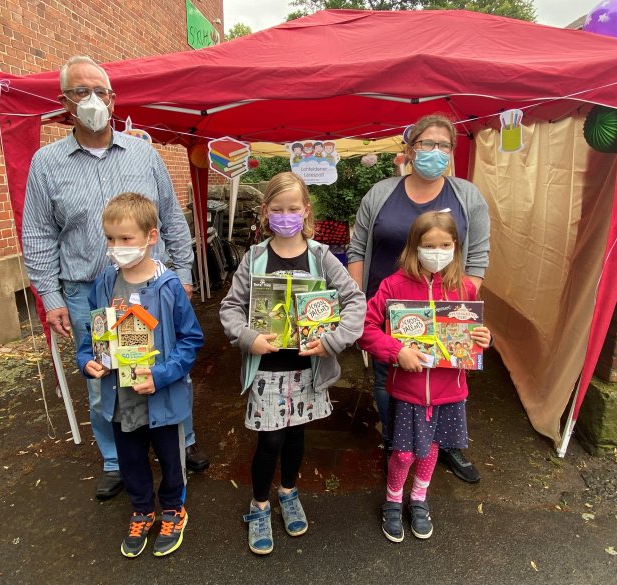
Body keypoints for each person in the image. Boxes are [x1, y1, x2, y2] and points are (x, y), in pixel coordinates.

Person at [22, 56, 208, 500]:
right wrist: (51, 297)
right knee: (105, 376)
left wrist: (182, 272)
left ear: (113, 98)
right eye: (80, 92)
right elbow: (37, 233)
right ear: (65, 102)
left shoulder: (144, 154)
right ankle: (114, 458)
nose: (92, 100)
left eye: (99, 91)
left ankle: (180, 441)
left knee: (164, 368)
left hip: (152, 288)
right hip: (90, 291)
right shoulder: (46, 163)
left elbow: (172, 219)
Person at [219, 172, 365, 555]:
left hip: (307, 370)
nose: (286, 216)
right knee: (270, 440)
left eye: (293, 209)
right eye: (278, 210)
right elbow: (231, 308)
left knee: (297, 437)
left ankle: (288, 492)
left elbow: (355, 302)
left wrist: (332, 341)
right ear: (266, 212)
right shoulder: (254, 258)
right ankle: (259, 506)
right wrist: (250, 338)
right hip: (267, 371)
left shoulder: (320, 256)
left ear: (306, 211)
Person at [347, 113, 490, 483]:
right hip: (390, 305)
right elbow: (358, 249)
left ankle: (445, 446)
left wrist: (465, 307)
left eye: (444, 145)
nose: (435, 151)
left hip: (448, 310)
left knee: (445, 379)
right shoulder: (381, 194)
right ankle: (398, 445)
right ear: (410, 149)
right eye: (427, 143)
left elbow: (477, 256)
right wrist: (358, 303)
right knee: (389, 378)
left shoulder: (466, 195)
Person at [76, 193, 204, 558]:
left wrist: (161, 375)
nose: (117, 247)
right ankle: (142, 510)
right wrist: (87, 361)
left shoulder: (169, 287)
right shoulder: (104, 284)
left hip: (161, 397)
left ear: (151, 236)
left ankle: (173, 510)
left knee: (169, 458)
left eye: (126, 238)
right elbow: (91, 336)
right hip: (120, 399)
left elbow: (191, 339)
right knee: (130, 459)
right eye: (111, 239)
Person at [358, 211, 492, 542]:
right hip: (408, 390)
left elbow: (472, 336)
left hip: (449, 391)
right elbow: (365, 328)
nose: (437, 252)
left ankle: (418, 498)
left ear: (456, 246)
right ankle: (393, 498)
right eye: (429, 245)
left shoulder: (463, 289)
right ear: (414, 247)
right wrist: (395, 351)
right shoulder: (393, 286)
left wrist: (484, 340)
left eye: (445, 245)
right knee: (403, 451)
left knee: (431, 449)